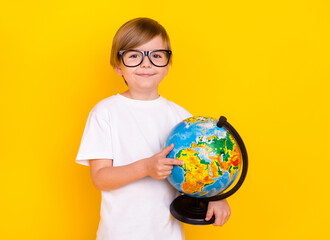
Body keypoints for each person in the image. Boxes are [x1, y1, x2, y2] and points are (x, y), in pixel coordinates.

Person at [76, 17, 231, 240]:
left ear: (168, 65)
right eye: (134, 56)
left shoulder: (183, 119)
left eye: (156, 56)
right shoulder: (105, 113)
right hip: (118, 234)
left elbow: (201, 172)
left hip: (167, 234)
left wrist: (215, 196)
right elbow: (100, 178)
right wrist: (146, 167)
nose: (146, 64)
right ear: (118, 66)